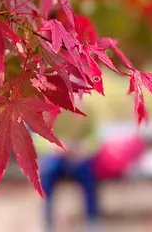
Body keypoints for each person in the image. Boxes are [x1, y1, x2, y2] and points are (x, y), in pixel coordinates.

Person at [37, 96, 102, 232]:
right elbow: (38, 137)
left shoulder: (87, 108)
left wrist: (82, 149)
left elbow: (94, 137)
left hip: (78, 157)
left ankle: (92, 220)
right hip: (55, 155)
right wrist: (54, 146)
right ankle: (47, 222)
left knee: (88, 175)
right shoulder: (47, 108)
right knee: (48, 172)